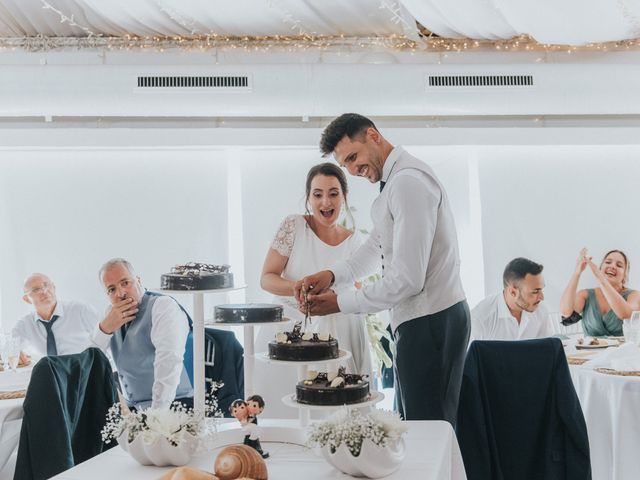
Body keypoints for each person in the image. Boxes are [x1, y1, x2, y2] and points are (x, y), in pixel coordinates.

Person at [295, 113, 470, 424]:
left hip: (432, 322)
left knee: (429, 430)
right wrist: (332, 276)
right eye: (345, 164)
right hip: (422, 321)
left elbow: (407, 279)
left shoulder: (408, 184)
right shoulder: (395, 183)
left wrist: (339, 302)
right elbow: (376, 247)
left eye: (353, 157)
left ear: (373, 136)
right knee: (415, 425)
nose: (353, 170)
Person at [256, 162, 372, 418]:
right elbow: (267, 278)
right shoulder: (294, 226)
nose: (325, 202)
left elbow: (354, 289)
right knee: (283, 408)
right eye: (317, 194)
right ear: (308, 198)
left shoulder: (354, 241)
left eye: (333, 193)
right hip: (289, 330)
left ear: (344, 196)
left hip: (336, 331)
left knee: (335, 409)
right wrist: (297, 288)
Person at [90, 258, 193, 410]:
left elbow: (168, 362)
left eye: (125, 283)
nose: (121, 293)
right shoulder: (110, 315)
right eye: (111, 289)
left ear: (138, 280)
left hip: (174, 406)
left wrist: (157, 417)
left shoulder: (162, 306)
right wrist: (104, 328)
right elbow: (89, 362)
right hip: (134, 411)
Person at [12, 272, 99, 358]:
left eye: (46, 285)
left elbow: (106, 341)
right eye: (36, 289)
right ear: (27, 299)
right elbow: (9, 351)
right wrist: (16, 355)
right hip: (45, 371)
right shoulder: (23, 325)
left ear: (54, 287)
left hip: (84, 370)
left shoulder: (80, 310)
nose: (44, 291)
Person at [560, 248, 640, 337]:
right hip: (590, 350)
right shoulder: (585, 294)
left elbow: (625, 314)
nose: (613, 266)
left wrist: (600, 277)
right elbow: (566, 313)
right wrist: (577, 272)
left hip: (623, 350)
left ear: (625, 274)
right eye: (608, 262)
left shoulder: (634, 295)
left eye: (619, 265)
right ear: (601, 268)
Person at [471, 257, 555, 341]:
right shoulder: (480, 319)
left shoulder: (540, 309)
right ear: (513, 292)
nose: (542, 297)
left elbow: (548, 350)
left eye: (541, 289)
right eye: (535, 291)